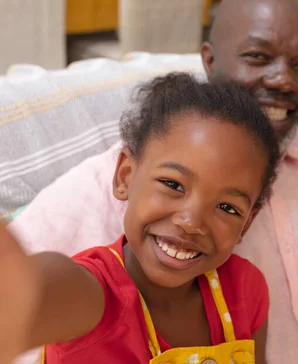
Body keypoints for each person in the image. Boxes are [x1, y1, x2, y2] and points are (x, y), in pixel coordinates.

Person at [8, 0, 298, 364]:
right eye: (257, 56)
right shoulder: (125, 176)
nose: (283, 80)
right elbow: (27, 294)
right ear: (209, 61)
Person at [1, 76, 278, 363]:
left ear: (247, 222)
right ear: (125, 176)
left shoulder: (246, 290)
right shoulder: (89, 294)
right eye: (173, 185)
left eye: (227, 207)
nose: (191, 222)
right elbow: (31, 295)